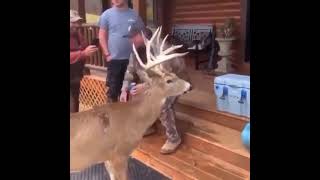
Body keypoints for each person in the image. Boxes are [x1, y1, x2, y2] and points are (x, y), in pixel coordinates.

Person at [119, 24, 190, 154]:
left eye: (133, 37)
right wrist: (125, 89)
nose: (131, 40)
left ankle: (173, 138)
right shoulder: (135, 52)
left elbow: (166, 80)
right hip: (153, 85)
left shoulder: (162, 51)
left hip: (174, 84)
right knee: (136, 96)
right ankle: (149, 126)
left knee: (161, 103)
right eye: (129, 38)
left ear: (142, 35)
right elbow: (129, 72)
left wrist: (144, 87)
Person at [98, 0, 145, 103]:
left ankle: (128, 116)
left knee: (131, 90)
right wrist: (107, 54)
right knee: (113, 92)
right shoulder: (106, 15)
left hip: (132, 61)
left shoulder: (134, 14)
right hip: (114, 60)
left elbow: (142, 35)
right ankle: (112, 117)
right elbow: (102, 35)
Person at [70, 10, 98, 112]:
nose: (77, 25)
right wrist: (83, 54)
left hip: (75, 76)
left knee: (75, 105)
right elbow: (81, 53)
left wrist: (90, 50)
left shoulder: (78, 35)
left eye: (78, 22)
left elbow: (83, 48)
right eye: (73, 22)